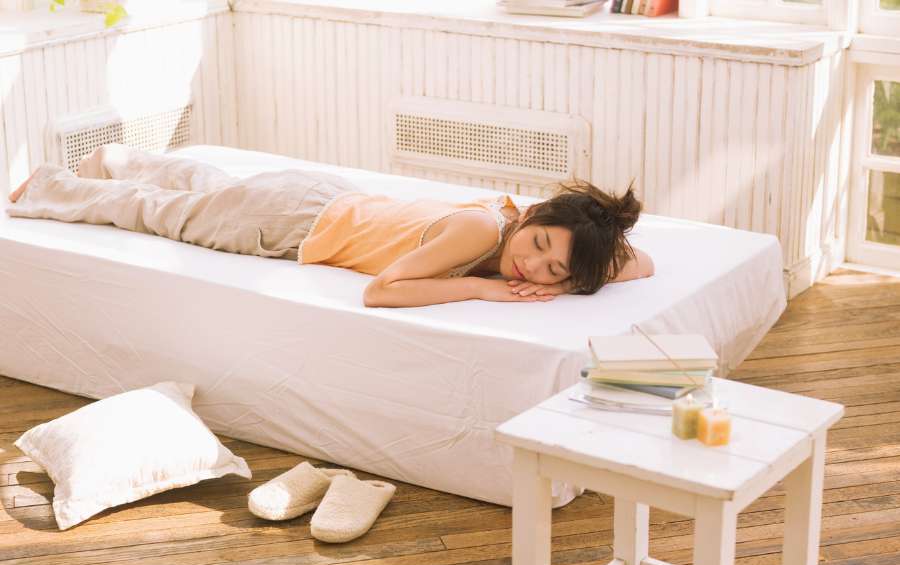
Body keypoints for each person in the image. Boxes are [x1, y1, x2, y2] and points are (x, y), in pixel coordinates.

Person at [6, 144, 654, 307]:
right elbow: (381, 290)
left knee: (213, 190)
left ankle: (116, 159)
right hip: (289, 222)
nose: (530, 268)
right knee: (163, 214)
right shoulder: (482, 234)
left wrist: (574, 275)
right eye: (538, 247)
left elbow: (639, 262)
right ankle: (50, 187)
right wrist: (483, 290)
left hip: (323, 199)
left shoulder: (516, 223)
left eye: (552, 270)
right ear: (531, 216)